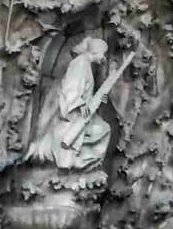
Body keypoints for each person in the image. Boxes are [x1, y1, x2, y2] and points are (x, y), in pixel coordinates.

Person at [27, 36, 120, 172]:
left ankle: (79, 163)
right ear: (95, 52)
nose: (103, 58)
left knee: (103, 129)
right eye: (103, 54)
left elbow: (85, 92)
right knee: (98, 130)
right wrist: (80, 105)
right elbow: (71, 88)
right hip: (74, 112)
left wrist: (99, 98)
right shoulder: (80, 63)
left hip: (81, 112)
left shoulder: (85, 64)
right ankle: (74, 164)